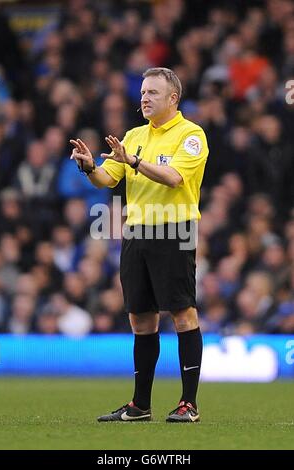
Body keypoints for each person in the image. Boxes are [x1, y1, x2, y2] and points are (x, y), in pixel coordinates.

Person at [70, 67, 209, 423]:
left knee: (182, 313)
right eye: (143, 92)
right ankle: (140, 405)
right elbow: (106, 178)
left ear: (173, 98)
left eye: (153, 93)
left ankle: (188, 404)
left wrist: (133, 160)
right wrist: (89, 167)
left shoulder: (191, 135)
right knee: (140, 318)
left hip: (174, 230)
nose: (144, 98)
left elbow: (175, 177)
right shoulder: (133, 136)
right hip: (136, 234)